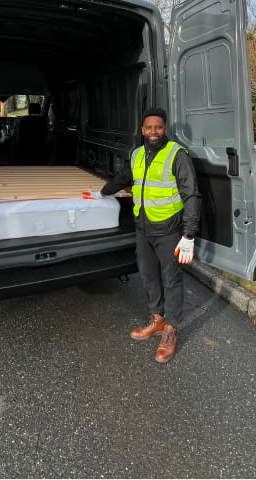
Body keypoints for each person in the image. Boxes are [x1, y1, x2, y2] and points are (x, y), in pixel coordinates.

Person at [86, 107, 201, 363]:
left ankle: (171, 329)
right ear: (142, 130)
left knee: (171, 280)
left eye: (158, 127)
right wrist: (104, 192)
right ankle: (157, 318)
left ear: (165, 129)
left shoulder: (177, 155)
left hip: (169, 230)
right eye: (148, 128)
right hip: (143, 228)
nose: (153, 132)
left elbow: (191, 195)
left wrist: (189, 235)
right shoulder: (137, 154)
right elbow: (125, 177)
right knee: (148, 276)